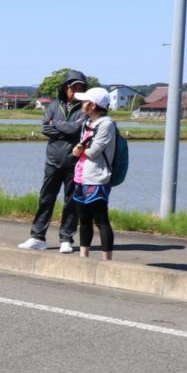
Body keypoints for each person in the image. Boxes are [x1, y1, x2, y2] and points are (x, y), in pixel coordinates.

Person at [19, 70, 87, 253]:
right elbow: (44, 129)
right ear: (66, 88)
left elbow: (77, 130)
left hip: (73, 162)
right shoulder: (54, 105)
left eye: (81, 87)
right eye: (74, 87)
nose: (76, 91)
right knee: (46, 198)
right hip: (52, 160)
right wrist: (66, 129)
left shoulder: (85, 108)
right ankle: (37, 237)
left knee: (71, 201)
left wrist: (55, 124)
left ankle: (66, 238)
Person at [70, 86, 116, 261]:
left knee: (101, 220)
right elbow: (81, 150)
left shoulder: (106, 124)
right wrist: (78, 150)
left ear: (94, 105)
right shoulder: (87, 123)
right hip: (81, 176)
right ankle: (83, 257)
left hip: (97, 178)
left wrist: (81, 150)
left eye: (85, 101)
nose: (82, 104)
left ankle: (107, 261)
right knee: (84, 219)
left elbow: (93, 152)